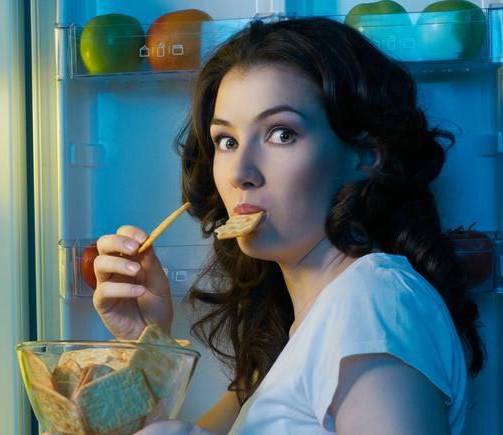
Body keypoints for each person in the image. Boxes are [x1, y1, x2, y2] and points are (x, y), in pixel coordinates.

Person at [91, 16, 485, 435]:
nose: (240, 171)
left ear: (366, 155)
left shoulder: (373, 303)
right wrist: (147, 342)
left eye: (281, 134)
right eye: (227, 141)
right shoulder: (294, 333)